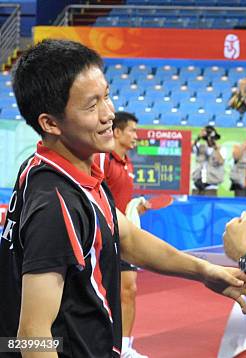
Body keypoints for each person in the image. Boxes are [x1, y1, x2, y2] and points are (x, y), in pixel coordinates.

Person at [0, 39, 246, 358]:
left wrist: (205, 271)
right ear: (50, 123)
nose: (108, 114)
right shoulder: (55, 204)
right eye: (91, 105)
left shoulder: (63, 167)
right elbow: (32, 334)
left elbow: (126, 236)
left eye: (106, 97)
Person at [96, 111, 150, 358]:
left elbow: (122, 201)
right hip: (102, 237)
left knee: (129, 289)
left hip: (124, 238)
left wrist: (136, 207)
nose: (136, 136)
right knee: (103, 292)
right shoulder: (104, 160)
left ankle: (125, 347)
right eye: (132, 131)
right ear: (117, 132)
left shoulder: (127, 163)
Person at [192, 125, 225, 196]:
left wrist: (216, 148)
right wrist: (199, 137)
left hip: (211, 186)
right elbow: (188, 147)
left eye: (213, 138)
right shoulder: (199, 146)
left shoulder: (220, 149)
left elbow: (221, 161)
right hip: (197, 184)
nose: (211, 140)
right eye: (209, 138)